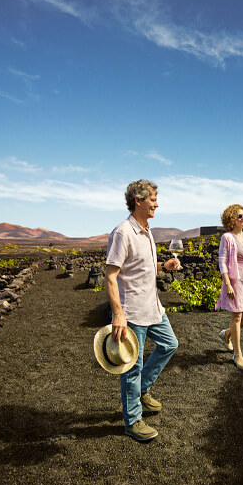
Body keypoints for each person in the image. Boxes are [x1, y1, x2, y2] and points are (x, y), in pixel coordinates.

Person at [105, 179, 181, 442]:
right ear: (138, 201)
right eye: (152, 200)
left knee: (170, 345)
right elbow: (111, 276)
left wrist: (163, 265)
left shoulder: (147, 231)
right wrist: (118, 314)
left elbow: (141, 267)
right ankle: (132, 421)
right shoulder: (122, 232)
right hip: (132, 312)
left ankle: (142, 390)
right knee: (131, 368)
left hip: (154, 307)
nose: (156, 204)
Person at [215, 204, 243, 370]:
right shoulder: (227, 238)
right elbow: (222, 261)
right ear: (231, 220)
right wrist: (227, 284)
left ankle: (227, 333)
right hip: (234, 281)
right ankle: (238, 354)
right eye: (239, 216)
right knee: (237, 317)